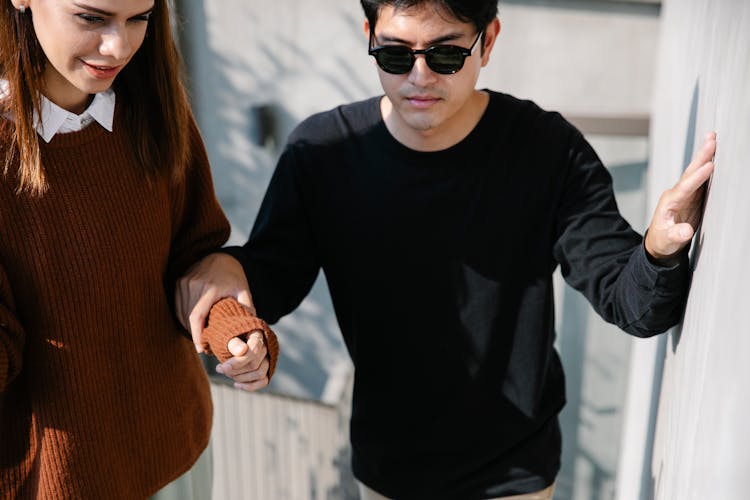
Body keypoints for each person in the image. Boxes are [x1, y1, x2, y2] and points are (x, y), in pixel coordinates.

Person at [176, 0, 717, 498]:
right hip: (389, 473)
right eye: (394, 52)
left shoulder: (547, 151)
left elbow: (631, 301)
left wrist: (660, 246)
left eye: (446, 54)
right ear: (367, 35)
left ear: (489, 40)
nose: (419, 76)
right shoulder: (322, 153)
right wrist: (226, 294)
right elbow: (270, 274)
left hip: (515, 475)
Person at [0, 0, 277, 498]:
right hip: (57, 483)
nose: (119, 47)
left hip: (181, 459)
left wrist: (234, 330)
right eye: (91, 17)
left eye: (139, 17)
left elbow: (193, 261)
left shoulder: (155, 109)